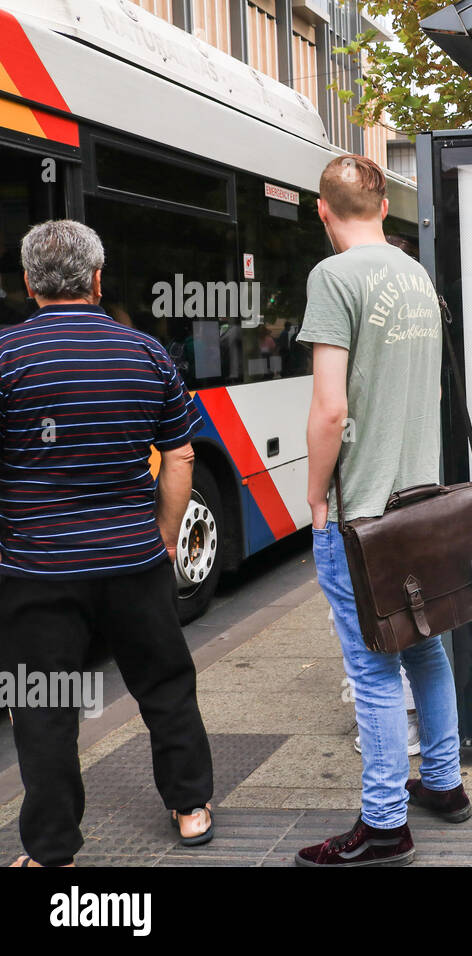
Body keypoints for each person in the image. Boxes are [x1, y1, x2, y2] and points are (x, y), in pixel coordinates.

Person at [0, 220, 214, 866]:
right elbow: (179, 456)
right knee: (165, 683)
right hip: (133, 561)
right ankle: (191, 808)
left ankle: (52, 848)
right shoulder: (145, 353)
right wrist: (165, 535)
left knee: (43, 706)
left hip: (36, 569)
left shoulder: (5, 357)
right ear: (97, 280)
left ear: (30, 284)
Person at [294, 155, 471, 867]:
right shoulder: (413, 273)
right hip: (418, 501)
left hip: (361, 513)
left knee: (372, 669)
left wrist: (313, 494)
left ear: (323, 210)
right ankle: (447, 784)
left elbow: (330, 407)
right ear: (383, 206)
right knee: (425, 644)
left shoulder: (332, 278)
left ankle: (385, 823)